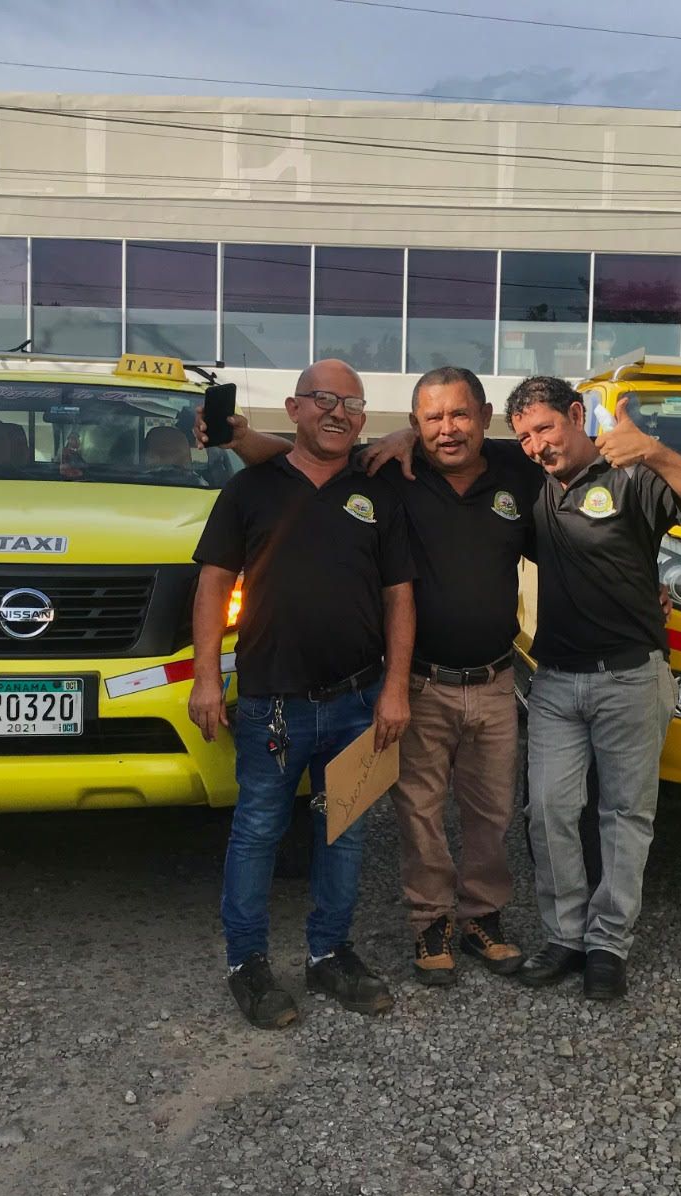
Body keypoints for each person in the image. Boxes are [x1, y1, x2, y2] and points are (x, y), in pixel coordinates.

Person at [216, 367, 542, 986]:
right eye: (433, 419)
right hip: (415, 682)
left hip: (495, 681)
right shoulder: (387, 472)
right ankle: (430, 925)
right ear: (414, 426)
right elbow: (299, 453)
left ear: (484, 414)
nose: (449, 429)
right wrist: (238, 438)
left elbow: (574, 524)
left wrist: (640, 584)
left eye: (461, 415)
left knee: (489, 809)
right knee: (416, 813)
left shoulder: (516, 471)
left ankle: (482, 917)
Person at [188, 359, 416, 1030]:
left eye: (352, 403)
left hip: (357, 700)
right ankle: (247, 965)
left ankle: (329, 955)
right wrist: (206, 677)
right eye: (324, 399)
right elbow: (211, 584)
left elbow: (399, 596)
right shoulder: (250, 489)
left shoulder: (379, 492)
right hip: (270, 703)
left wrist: (395, 688)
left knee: (343, 835)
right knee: (257, 833)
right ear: (293, 409)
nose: (338, 412)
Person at [505, 376, 681, 1002]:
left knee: (625, 816)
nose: (537, 445)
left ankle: (608, 946)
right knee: (547, 810)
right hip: (555, 681)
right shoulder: (533, 486)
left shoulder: (631, 473)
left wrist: (648, 448)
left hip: (630, 676)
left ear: (577, 415)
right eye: (524, 437)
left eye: (546, 428)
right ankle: (565, 935)